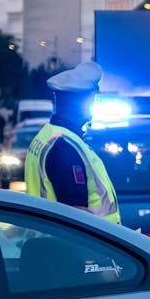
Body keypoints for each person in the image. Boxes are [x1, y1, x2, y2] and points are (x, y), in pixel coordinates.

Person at [23, 62, 122, 222]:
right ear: (78, 103)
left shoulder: (49, 135)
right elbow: (75, 215)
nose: (94, 104)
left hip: (49, 238)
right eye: (92, 98)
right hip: (80, 245)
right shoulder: (65, 147)